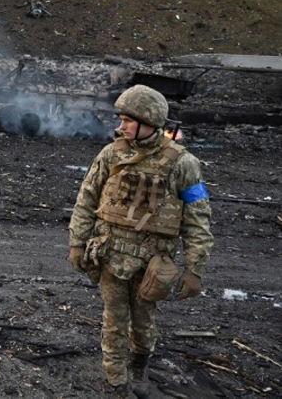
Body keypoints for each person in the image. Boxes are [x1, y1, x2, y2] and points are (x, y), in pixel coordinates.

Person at [68, 85, 213, 398]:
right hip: (110, 255)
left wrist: (194, 269)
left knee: (145, 323)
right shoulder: (111, 154)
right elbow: (86, 198)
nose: (120, 126)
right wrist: (77, 243)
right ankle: (116, 384)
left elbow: (198, 219)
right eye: (121, 119)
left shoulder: (183, 164)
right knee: (114, 322)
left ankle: (139, 366)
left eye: (127, 121)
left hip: (153, 262)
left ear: (150, 122)